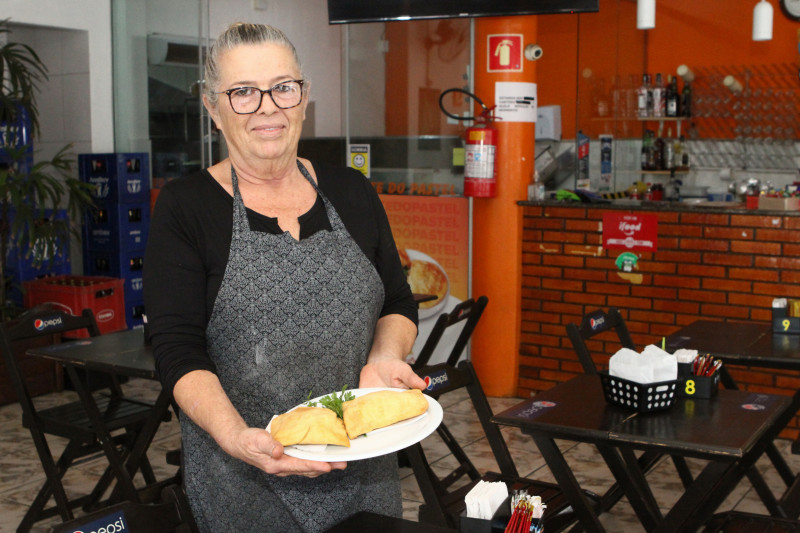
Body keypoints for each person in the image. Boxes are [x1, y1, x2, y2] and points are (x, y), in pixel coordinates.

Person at [143, 22, 425, 533]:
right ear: (213, 108)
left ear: (303, 96)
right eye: (243, 92)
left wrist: (384, 358)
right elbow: (175, 347)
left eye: (282, 87)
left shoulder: (352, 191)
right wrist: (233, 436)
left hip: (363, 472)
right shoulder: (187, 208)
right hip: (244, 480)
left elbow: (397, 304)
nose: (267, 107)